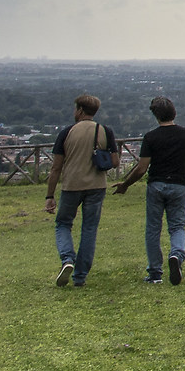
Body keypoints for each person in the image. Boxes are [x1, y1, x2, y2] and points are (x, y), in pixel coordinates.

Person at [114, 97, 185, 285]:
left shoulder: (151, 137)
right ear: (174, 112)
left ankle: (155, 272)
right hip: (179, 184)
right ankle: (176, 255)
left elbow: (142, 168)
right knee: (177, 226)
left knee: (153, 228)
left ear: (155, 115)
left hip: (156, 185)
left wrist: (125, 185)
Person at [44, 94, 116, 288]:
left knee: (63, 223)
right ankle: (80, 276)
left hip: (71, 185)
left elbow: (56, 168)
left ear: (80, 110)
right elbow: (115, 162)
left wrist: (50, 195)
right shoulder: (104, 131)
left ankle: (67, 258)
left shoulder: (67, 133)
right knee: (89, 229)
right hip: (97, 186)